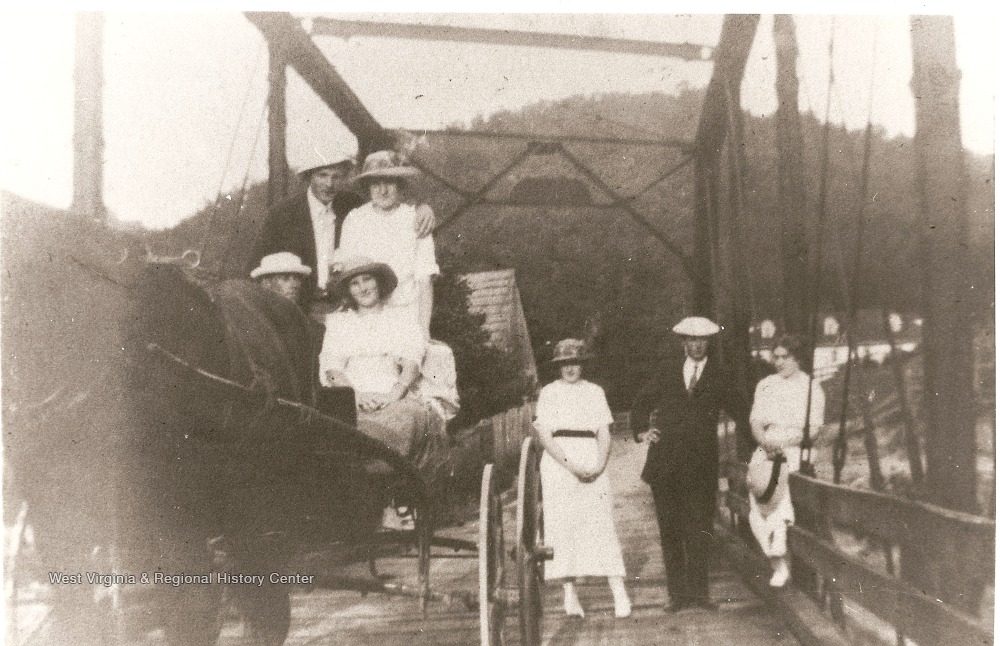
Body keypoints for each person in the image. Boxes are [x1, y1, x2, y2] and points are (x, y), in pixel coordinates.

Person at [630, 316, 750, 613]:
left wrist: (762, 444)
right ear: (683, 342)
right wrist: (642, 431)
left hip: (700, 465)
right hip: (665, 464)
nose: (697, 345)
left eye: (702, 340)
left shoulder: (720, 375)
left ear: (708, 343)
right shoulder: (667, 371)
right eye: (691, 340)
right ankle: (677, 595)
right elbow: (641, 402)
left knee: (700, 528)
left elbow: (741, 411)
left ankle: (699, 593)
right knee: (670, 529)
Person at [248, 150, 435, 310]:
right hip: (302, 309)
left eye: (336, 177)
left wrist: (423, 207)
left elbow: (386, 203)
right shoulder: (282, 214)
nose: (329, 184)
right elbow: (253, 270)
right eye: (322, 175)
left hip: (345, 307)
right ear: (309, 177)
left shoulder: (350, 205)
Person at [318, 256, 447, 480]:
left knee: (408, 419)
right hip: (351, 396)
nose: (363, 288)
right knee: (338, 433)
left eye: (367, 279)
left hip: (393, 393)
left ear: (378, 281)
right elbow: (332, 368)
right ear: (349, 291)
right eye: (355, 283)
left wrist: (393, 395)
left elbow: (412, 361)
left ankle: (393, 481)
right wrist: (356, 395)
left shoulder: (401, 318)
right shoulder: (339, 323)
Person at [534, 339, 631, 619]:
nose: (570, 369)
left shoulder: (595, 392)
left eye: (574, 362)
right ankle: (569, 594)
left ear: (582, 364)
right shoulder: (548, 393)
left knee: (601, 523)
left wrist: (599, 464)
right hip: (559, 464)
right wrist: (571, 466)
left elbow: (604, 432)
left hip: (591, 458)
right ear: (557, 366)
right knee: (563, 526)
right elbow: (545, 436)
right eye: (564, 364)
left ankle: (619, 592)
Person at [746, 334, 825, 587]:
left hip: (794, 449)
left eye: (785, 357)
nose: (778, 362)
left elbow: (814, 429)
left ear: (797, 358)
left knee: (780, 495)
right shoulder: (766, 384)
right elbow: (756, 422)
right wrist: (765, 442)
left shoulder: (811, 387)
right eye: (776, 357)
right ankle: (778, 562)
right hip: (768, 447)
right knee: (758, 502)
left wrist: (784, 443)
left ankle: (780, 544)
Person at [336, 150, 439, 337]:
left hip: (406, 314)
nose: (383, 190)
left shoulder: (416, 219)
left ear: (399, 183)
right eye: (376, 183)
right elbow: (348, 275)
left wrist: (424, 329)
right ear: (368, 187)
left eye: (389, 182)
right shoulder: (355, 219)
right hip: (366, 317)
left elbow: (425, 280)